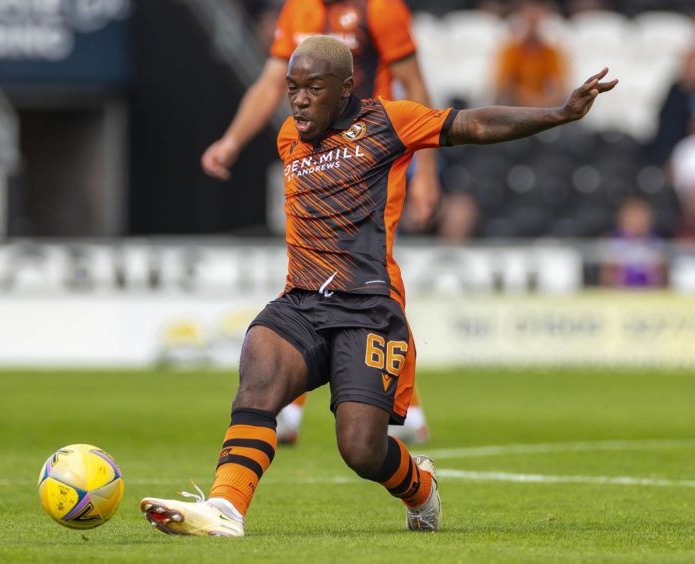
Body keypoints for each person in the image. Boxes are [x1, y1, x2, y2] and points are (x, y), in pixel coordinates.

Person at [141, 35, 616, 537]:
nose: (299, 99)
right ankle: (225, 509)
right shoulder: (289, 136)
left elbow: (471, 124)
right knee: (258, 369)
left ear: (346, 88)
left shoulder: (389, 121)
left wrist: (558, 114)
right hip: (301, 302)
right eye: (293, 87)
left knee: (361, 449)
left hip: (367, 307)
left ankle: (421, 489)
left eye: (313, 88)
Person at [202, 0, 439, 446]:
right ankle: (292, 405)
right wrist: (232, 141)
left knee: (369, 270)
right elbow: (273, 79)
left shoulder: (383, 10)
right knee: (314, 272)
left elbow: (413, 81)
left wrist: (425, 171)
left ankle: (402, 401)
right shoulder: (300, 10)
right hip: (315, 155)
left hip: (368, 154)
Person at [494, 0, 568, 108]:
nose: (533, 27)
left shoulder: (551, 53)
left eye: (536, 22)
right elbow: (504, 86)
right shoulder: (511, 51)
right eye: (529, 21)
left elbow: (559, 86)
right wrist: (528, 101)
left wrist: (543, 103)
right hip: (516, 108)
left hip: (545, 108)